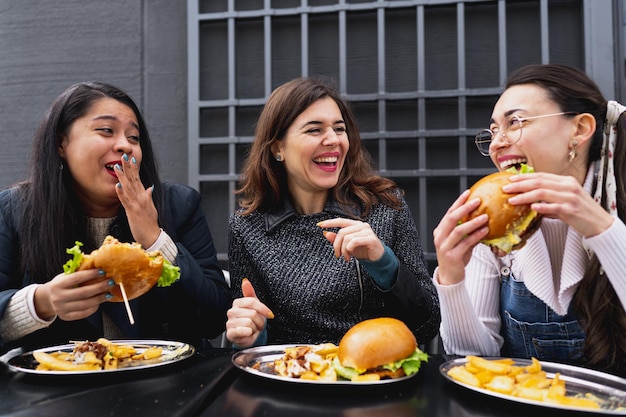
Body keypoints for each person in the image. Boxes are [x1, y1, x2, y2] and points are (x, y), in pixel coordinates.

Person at [0, 82, 231, 351]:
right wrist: (41, 302)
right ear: (61, 142)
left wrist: (155, 238)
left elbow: (214, 318)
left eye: (134, 137)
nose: (125, 146)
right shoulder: (14, 210)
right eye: (106, 131)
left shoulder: (179, 205)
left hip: (166, 382)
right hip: (61, 385)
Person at [433, 64, 626, 376]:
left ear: (579, 129)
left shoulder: (619, 203)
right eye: (494, 131)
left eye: (515, 122)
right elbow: (473, 363)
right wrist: (452, 277)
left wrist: (602, 229)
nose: (497, 143)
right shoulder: (497, 225)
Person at [225, 77, 440, 349]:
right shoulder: (247, 227)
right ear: (278, 148)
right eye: (314, 130)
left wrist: (382, 261)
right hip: (292, 378)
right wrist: (253, 335)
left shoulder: (386, 207)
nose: (333, 140)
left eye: (339, 129)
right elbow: (256, 336)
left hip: (374, 377)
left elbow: (428, 324)